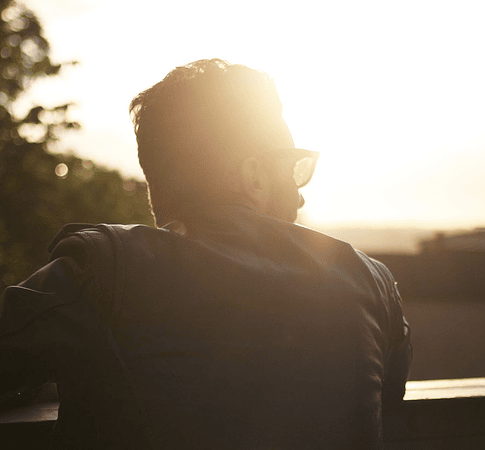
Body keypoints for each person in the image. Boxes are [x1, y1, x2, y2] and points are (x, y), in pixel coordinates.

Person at [0, 58, 411, 449]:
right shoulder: (370, 283)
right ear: (253, 176)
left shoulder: (107, 271)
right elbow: (385, 400)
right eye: (292, 170)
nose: (299, 196)